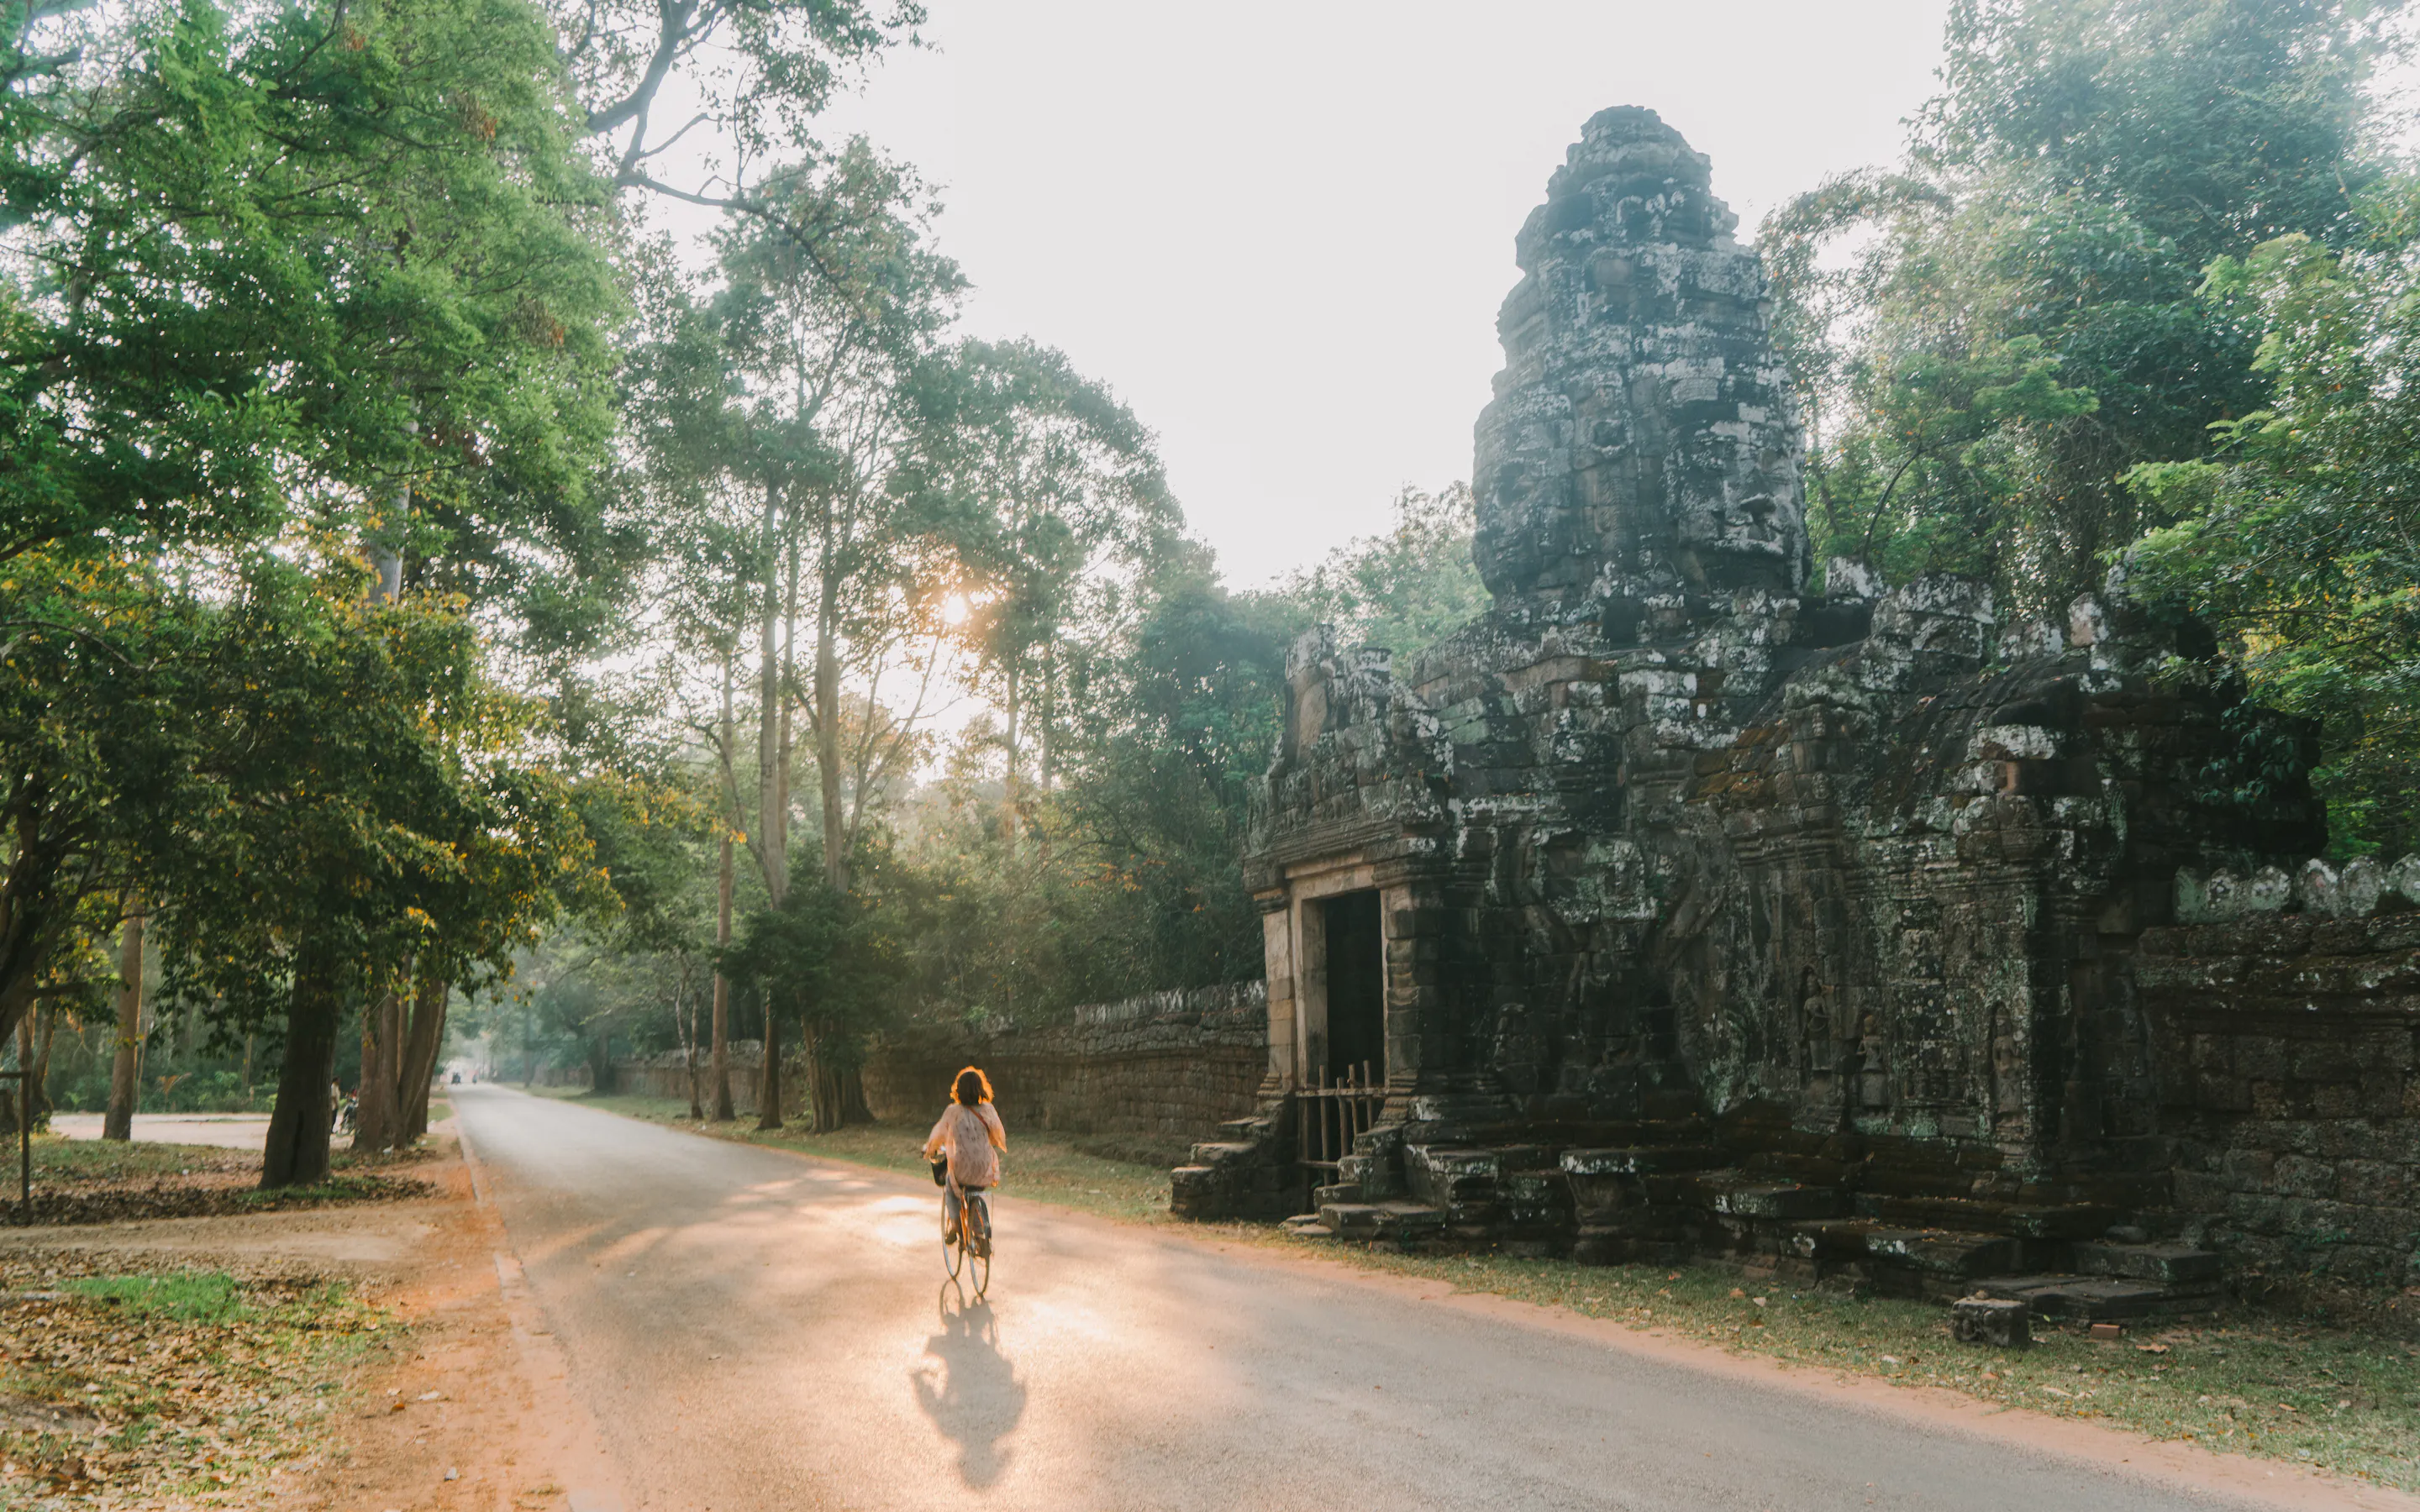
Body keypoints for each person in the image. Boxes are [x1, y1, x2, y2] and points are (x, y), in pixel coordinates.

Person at [923, 1066, 1007, 1255]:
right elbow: (998, 1136)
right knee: (975, 1191)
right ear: (981, 1088)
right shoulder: (988, 1110)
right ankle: (980, 1235)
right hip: (985, 1167)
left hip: (961, 1167)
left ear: (958, 1089)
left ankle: (957, 1229)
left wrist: (929, 1150)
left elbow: (938, 1136)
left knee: (951, 1189)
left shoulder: (953, 1112)